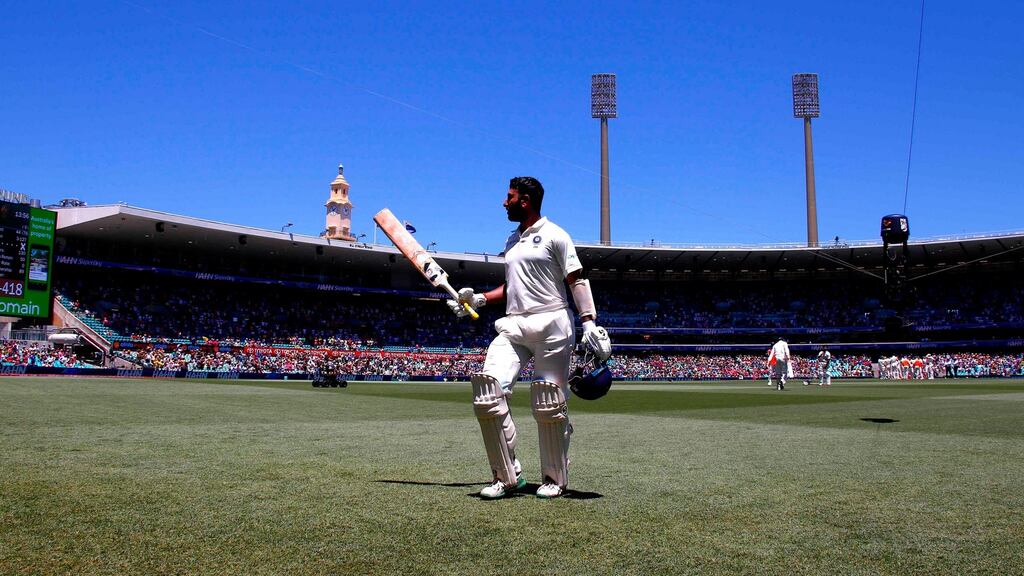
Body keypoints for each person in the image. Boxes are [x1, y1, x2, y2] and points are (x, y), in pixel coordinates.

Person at [448, 176, 611, 499]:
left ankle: (554, 478)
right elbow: (513, 286)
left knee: (549, 400)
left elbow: (576, 279)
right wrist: (479, 299)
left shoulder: (556, 235)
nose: (503, 202)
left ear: (525, 200)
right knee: (487, 390)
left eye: (509, 197)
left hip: (552, 322)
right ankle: (507, 477)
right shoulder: (512, 241)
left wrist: (589, 322)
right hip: (514, 324)